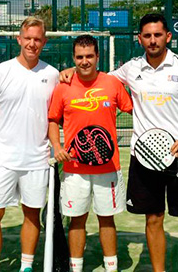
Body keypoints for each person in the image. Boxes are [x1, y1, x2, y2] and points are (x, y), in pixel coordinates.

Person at [60, 13, 178, 272]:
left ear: (168, 36)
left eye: (157, 35)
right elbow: (97, 78)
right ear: (140, 38)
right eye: (147, 36)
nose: (153, 40)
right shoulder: (130, 68)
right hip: (145, 159)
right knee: (153, 219)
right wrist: (71, 72)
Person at [0, 16, 59, 272]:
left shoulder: (53, 74)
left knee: (32, 215)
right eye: (28, 38)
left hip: (37, 160)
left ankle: (26, 266)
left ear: (44, 42)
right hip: (3, 160)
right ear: (19, 39)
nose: (32, 44)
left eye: (37, 39)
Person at [47, 35, 133, 272]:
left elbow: (135, 107)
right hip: (75, 168)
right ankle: (76, 268)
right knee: (77, 220)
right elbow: (53, 119)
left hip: (108, 167)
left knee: (107, 219)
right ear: (73, 58)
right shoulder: (62, 86)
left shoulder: (112, 84)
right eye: (79, 57)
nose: (84, 61)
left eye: (89, 56)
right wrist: (57, 146)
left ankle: (111, 267)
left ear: (97, 57)